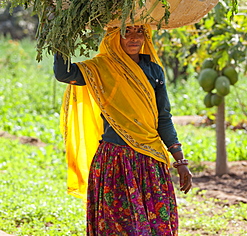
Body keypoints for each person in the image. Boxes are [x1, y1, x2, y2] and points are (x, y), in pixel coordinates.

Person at [54, 24, 192, 236]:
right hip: (116, 162)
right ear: (112, 35)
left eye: (140, 31)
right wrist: (61, 34)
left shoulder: (154, 71)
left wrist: (180, 161)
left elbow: (163, 118)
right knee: (119, 227)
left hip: (149, 161)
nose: (134, 38)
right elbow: (65, 74)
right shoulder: (101, 68)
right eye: (126, 31)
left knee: (158, 226)